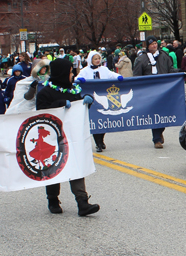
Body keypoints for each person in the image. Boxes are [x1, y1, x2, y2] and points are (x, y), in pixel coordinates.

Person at [36, 58, 100, 216]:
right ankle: (52, 199)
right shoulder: (45, 92)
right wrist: (59, 103)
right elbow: (41, 113)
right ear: (62, 73)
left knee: (76, 166)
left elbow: (78, 110)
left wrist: (86, 102)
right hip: (53, 138)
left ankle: (82, 202)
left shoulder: (73, 90)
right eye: (70, 72)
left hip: (72, 136)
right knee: (53, 168)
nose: (73, 75)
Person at [133, 35, 179, 149]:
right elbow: (137, 76)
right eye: (152, 44)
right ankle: (156, 139)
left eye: (155, 43)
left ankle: (160, 130)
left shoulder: (164, 56)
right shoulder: (141, 59)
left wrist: (179, 72)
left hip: (165, 90)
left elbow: (170, 70)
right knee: (155, 115)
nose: (155, 45)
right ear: (148, 46)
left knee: (166, 114)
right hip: (151, 92)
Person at [77, 51, 122, 152]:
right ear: (90, 60)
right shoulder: (85, 71)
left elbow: (111, 74)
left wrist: (118, 77)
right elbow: (77, 78)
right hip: (92, 99)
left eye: (98, 58)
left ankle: (101, 140)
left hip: (103, 98)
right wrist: (80, 79)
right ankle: (98, 143)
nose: (97, 61)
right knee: (95, 121)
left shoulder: (104, 69)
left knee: (103, 121)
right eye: (95, 59)